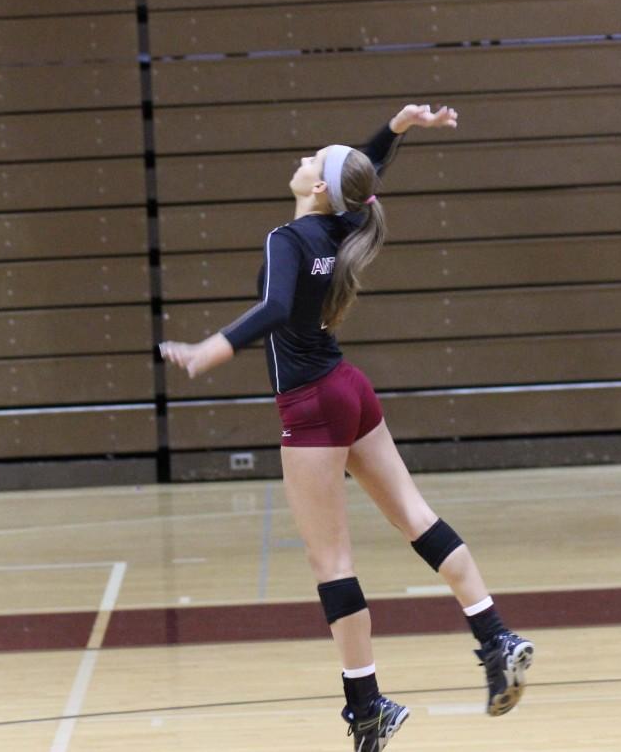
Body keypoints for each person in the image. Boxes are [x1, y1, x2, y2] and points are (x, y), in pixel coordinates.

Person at [160, 103, 534, 751]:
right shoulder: (343, 224)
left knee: (330, 559)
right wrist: (397, 129)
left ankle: (368, 707)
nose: (302, 159)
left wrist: (207, 350)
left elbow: (275, 307)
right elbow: (363, 174)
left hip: (311, 404)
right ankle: (496, 634)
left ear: (318, 188)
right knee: (416, 515)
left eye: (312, 159)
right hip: (350, 390)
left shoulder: (290, 237)